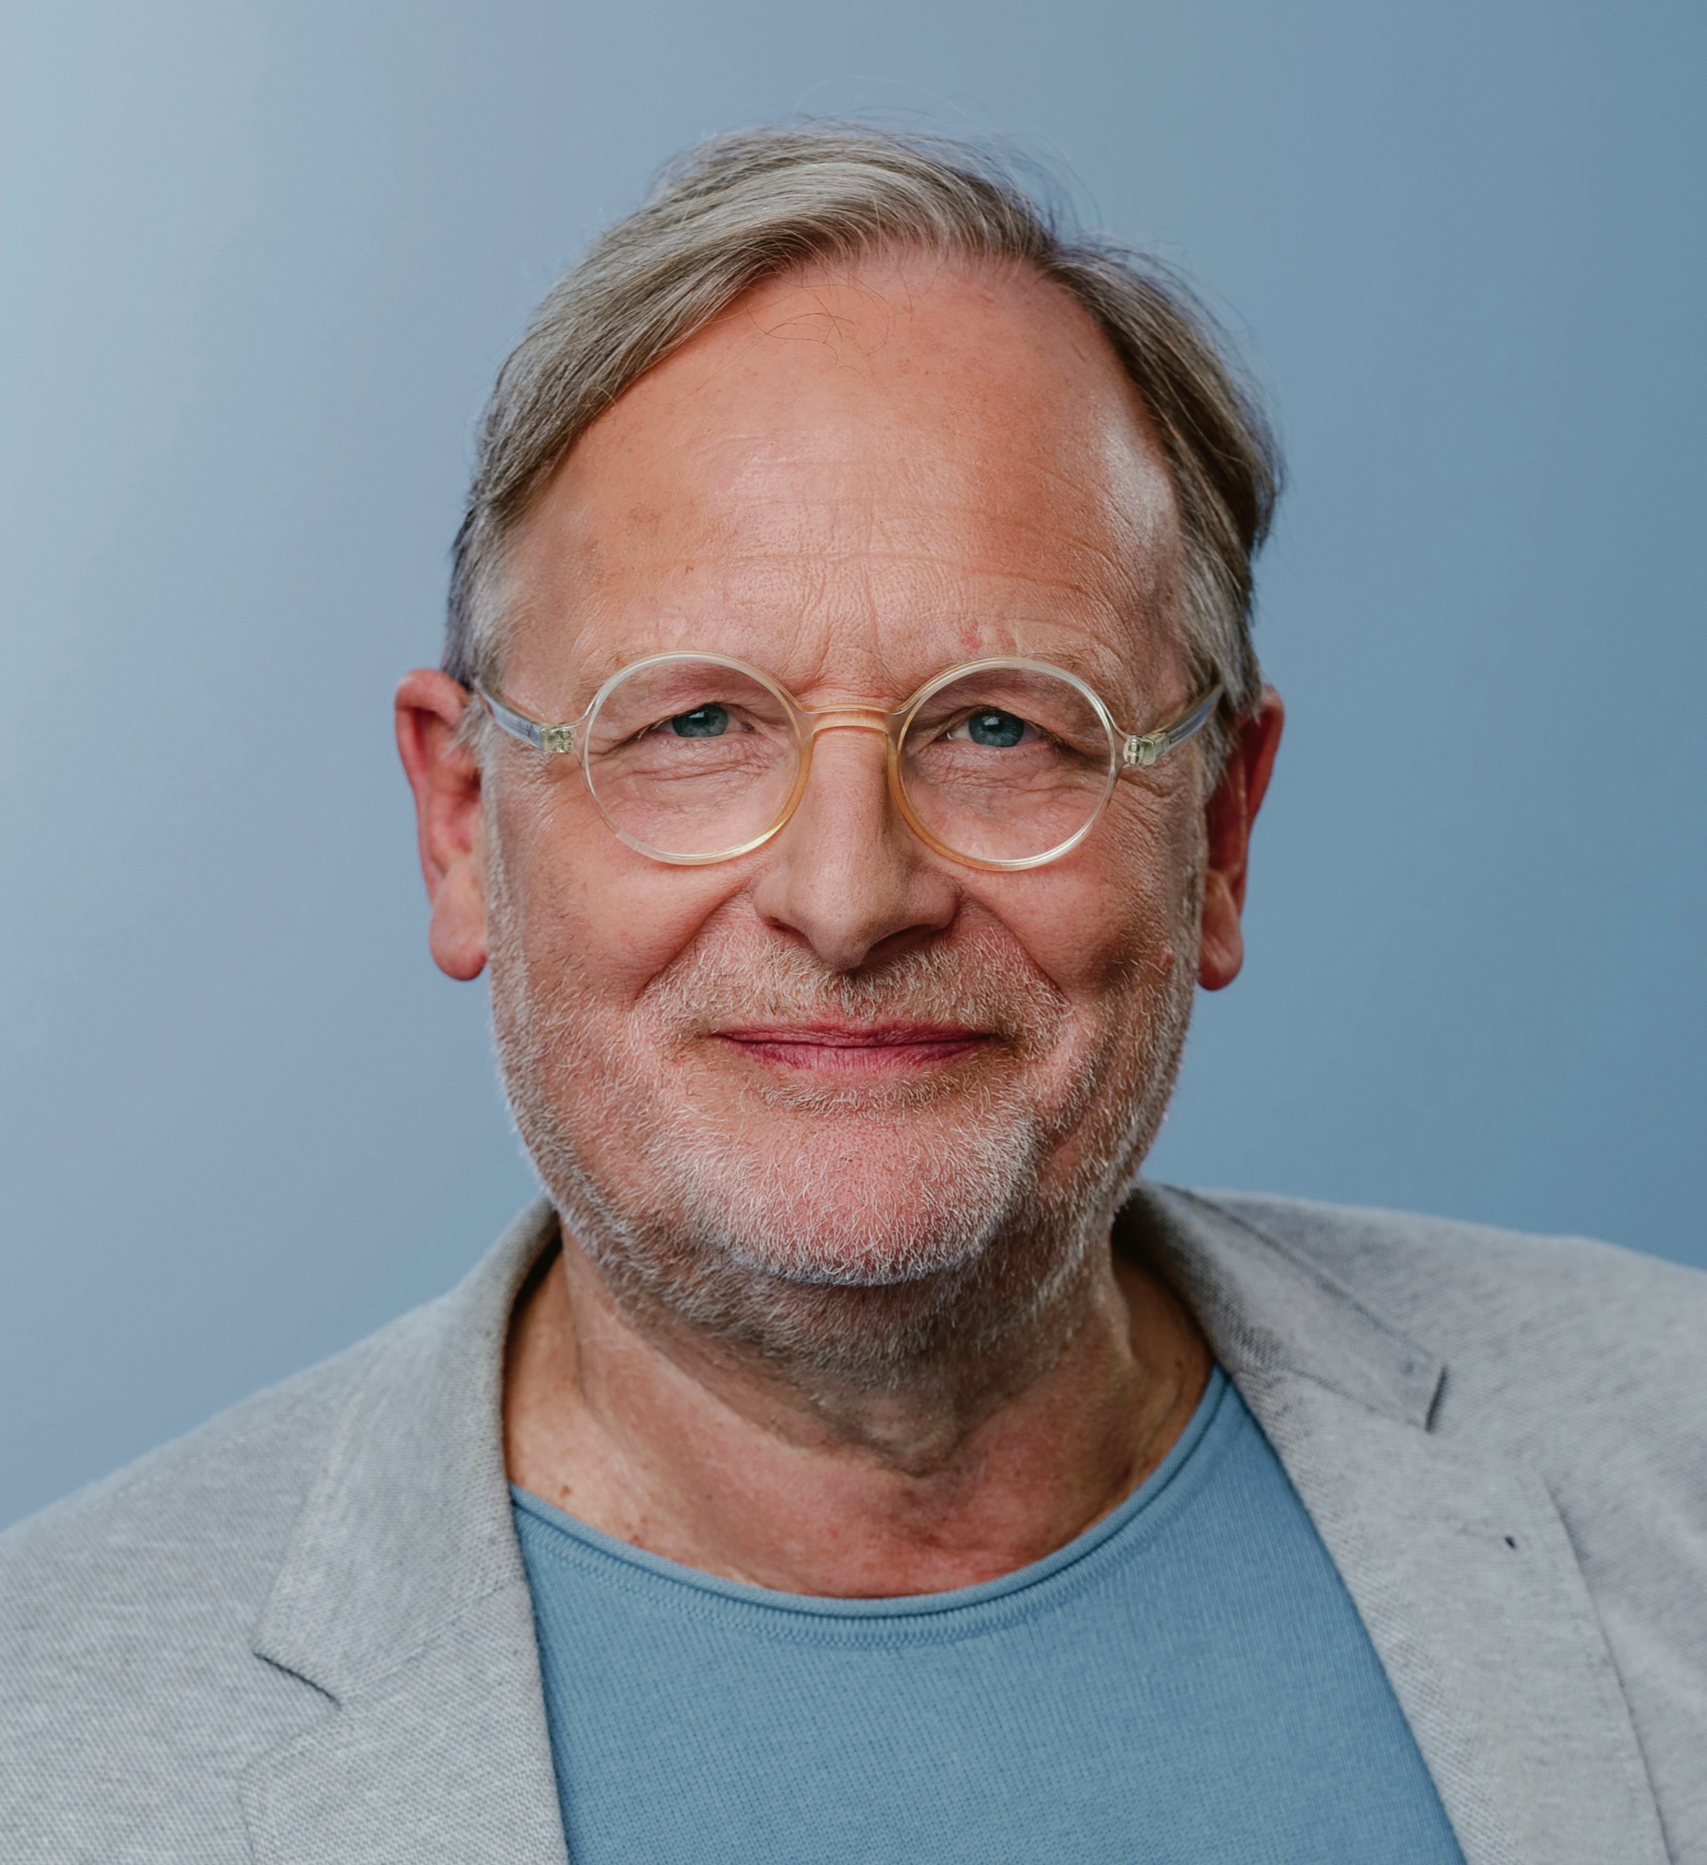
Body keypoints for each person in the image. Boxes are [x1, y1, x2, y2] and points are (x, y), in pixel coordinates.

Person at [1, 123, 1701, 1865]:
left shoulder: (1676, 1440)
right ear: (459, 826)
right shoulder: (42, 1746)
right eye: (694, 723)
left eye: (999, 728)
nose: (846, 895)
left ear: (1218, 834)